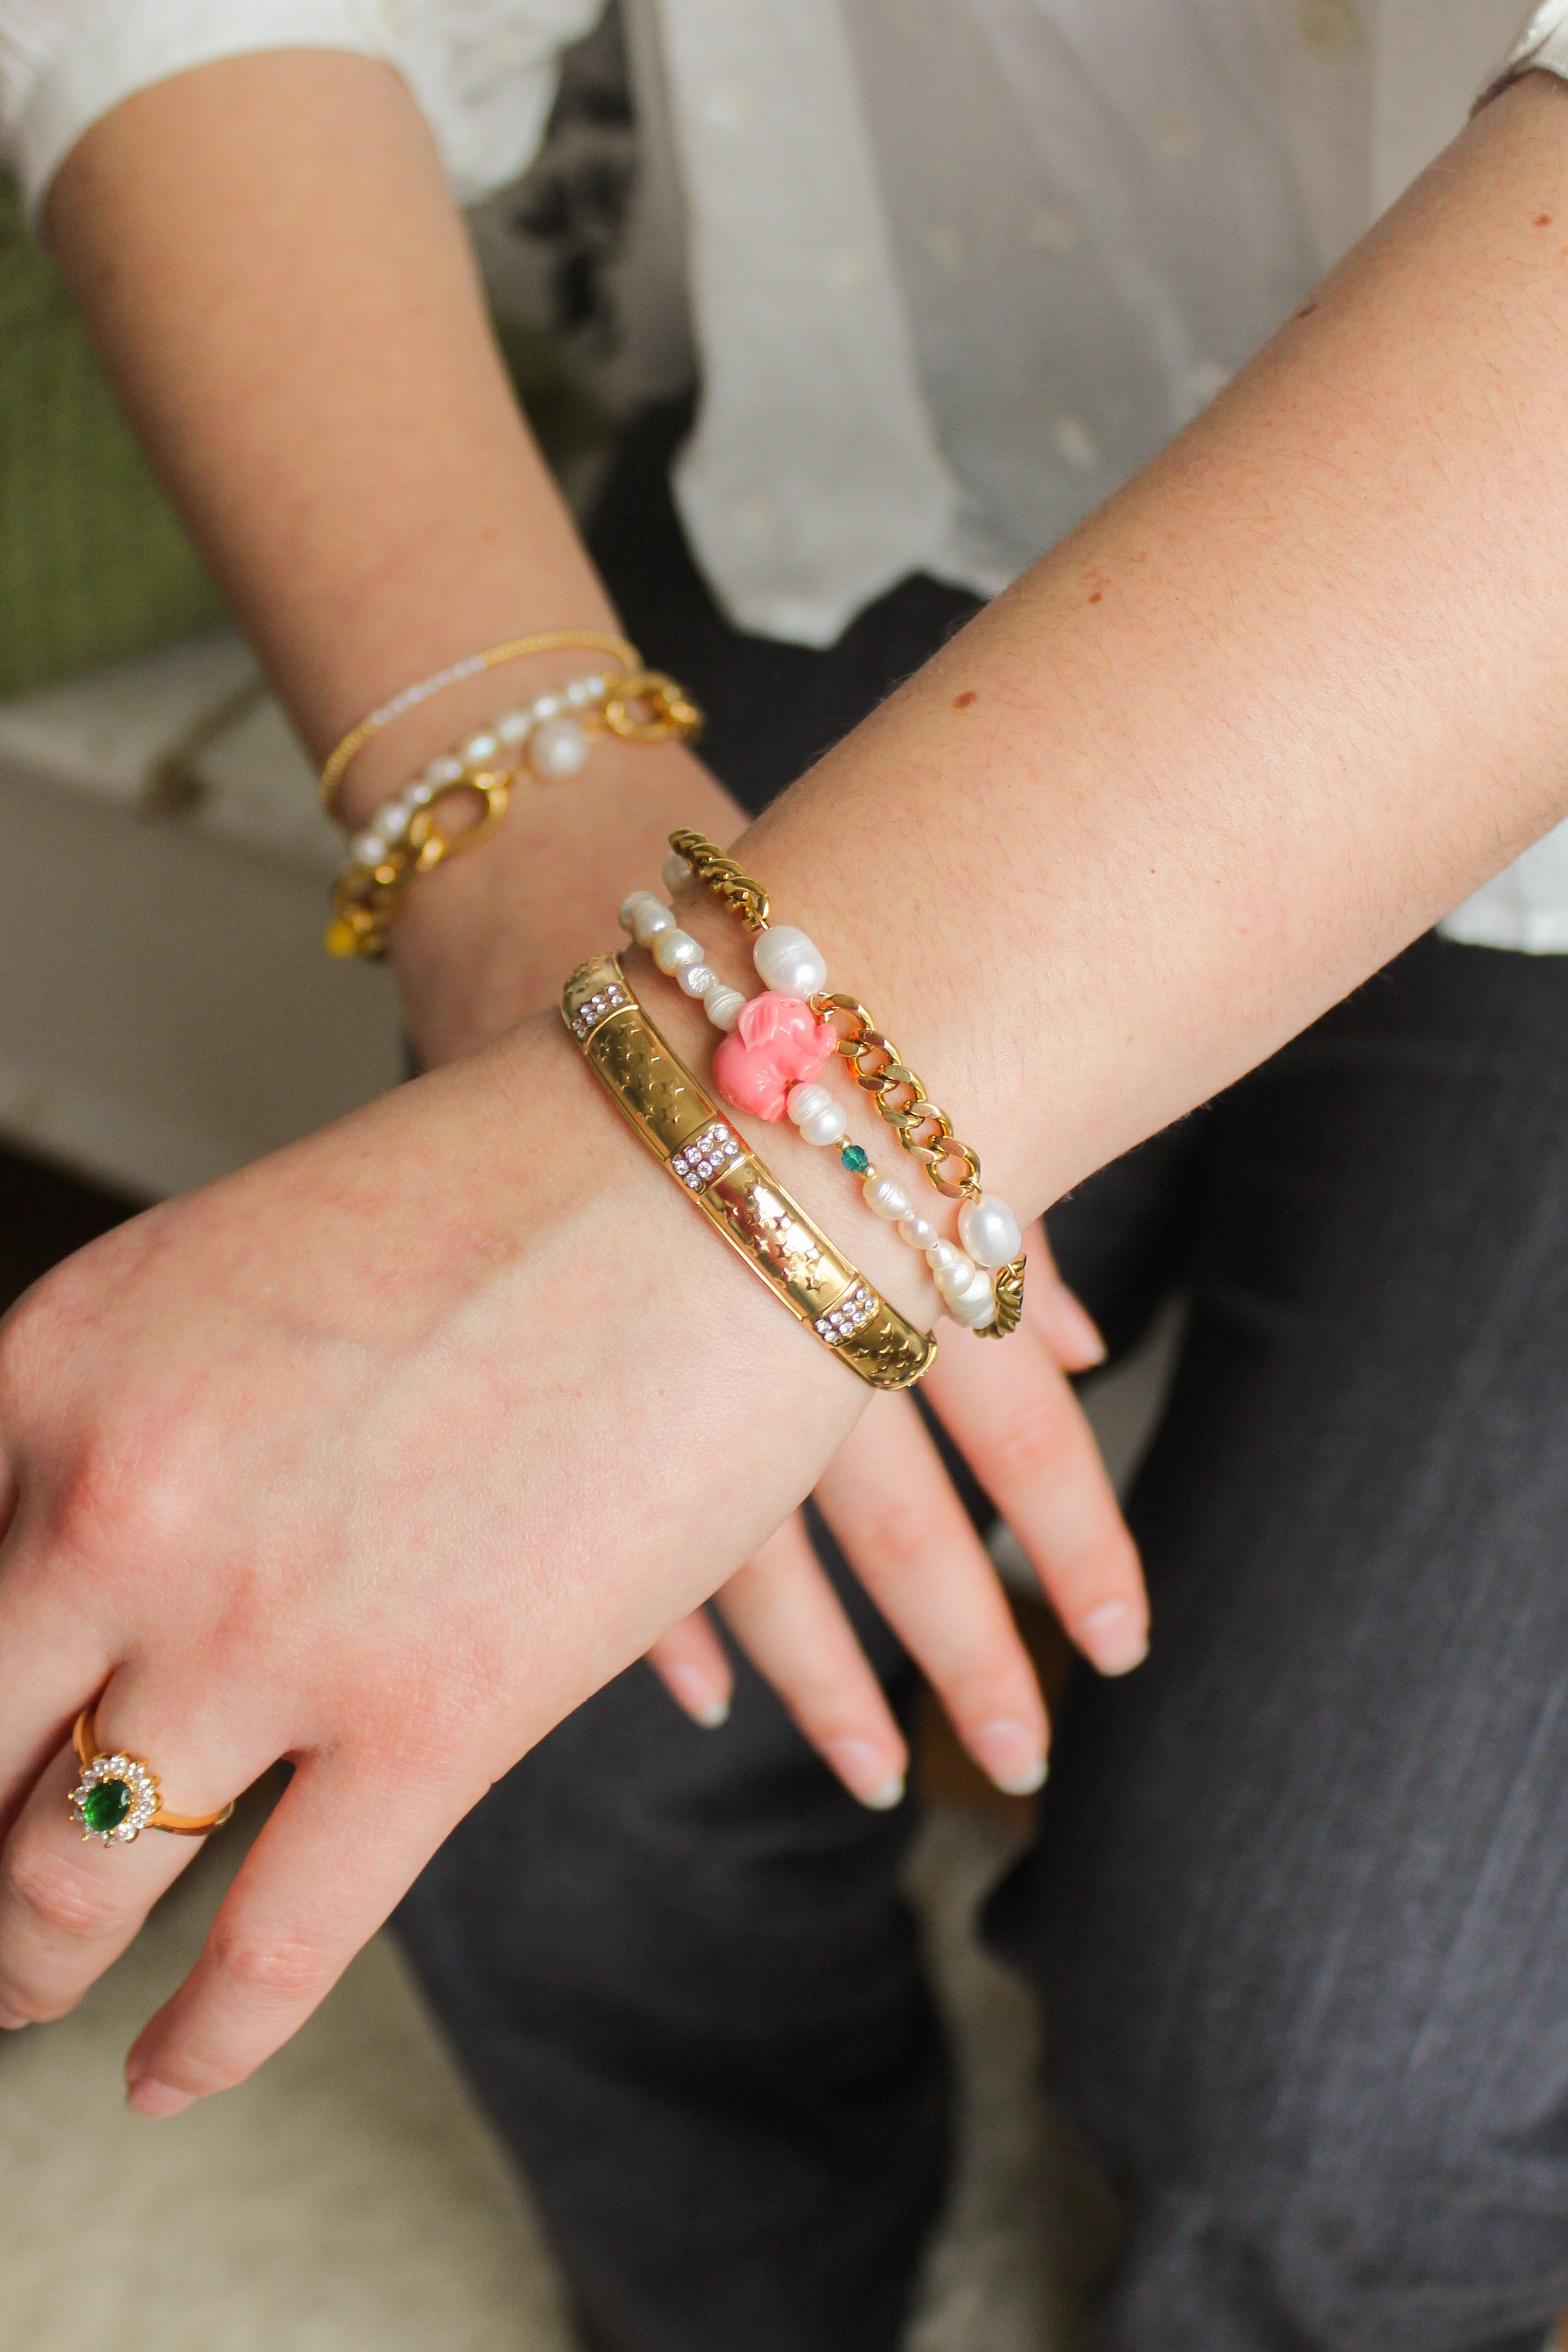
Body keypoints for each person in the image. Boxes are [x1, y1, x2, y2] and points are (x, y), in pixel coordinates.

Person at [3, 5, 1568, 2348]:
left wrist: (685, 1184)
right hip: (906, 427)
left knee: (1343, 2066)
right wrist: (509, 798)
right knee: (552, 1760)